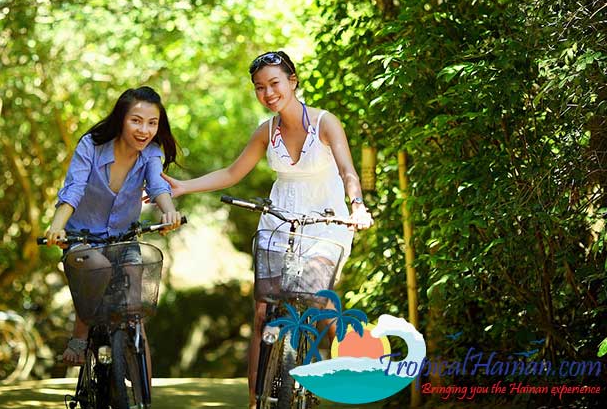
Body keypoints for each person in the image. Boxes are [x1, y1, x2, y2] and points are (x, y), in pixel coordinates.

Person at [160, 51, 373, 407]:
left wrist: (358, 206)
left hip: (326, 220)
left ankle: (326, 368)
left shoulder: (325, 122)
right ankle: (255, 399)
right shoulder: (267, 130)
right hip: (279, 219)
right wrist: (183, 186)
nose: (268, 92)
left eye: (274, 83)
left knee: (314, 300)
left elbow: (348, 171)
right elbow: (231, 173)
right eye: (260, 87)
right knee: (263, 312)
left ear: (292, 81)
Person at [45, 86, 182, 367]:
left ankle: (141, 389)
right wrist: (56, 227)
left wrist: (170, 213)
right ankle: (80, 333)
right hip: (80, 237)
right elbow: (73, 190)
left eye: (152, 123)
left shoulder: (151, 153)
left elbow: (158, 187)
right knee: (98, 267)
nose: (144, 130)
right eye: (136, 120)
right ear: (121, 119)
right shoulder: (91, 146)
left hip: (123, 238)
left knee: (135, 309)